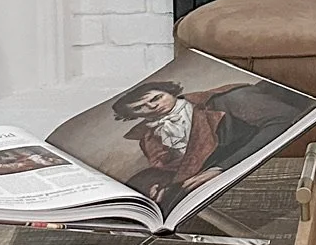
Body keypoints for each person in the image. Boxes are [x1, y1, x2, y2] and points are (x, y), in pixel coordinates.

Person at [110, 76, 299, 208]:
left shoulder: (226, 99)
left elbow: (283, 120)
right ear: (131, 115)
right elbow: (180, 167)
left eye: (157, 98)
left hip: (249, 173)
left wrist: (221, 168)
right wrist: (158, 185)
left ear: (170, 92)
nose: (152, 106)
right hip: (204, 190)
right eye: (140, 108)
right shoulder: (149, 139)